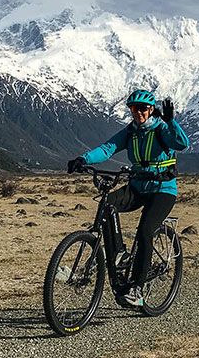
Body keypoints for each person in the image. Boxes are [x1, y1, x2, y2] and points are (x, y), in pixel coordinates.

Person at [66, 89, 190, 307]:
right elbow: (108, 148)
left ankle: (138, 289)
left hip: (163, 189)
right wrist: (83, 159)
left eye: (143, 108)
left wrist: (171, 122)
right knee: (107, 205)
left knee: (145, 231)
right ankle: (119, 254)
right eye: (134, 108)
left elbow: (181, 143)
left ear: (151, 109)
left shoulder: (161, 129)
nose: (138, 112)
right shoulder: (130, 132)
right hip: (138, 186)